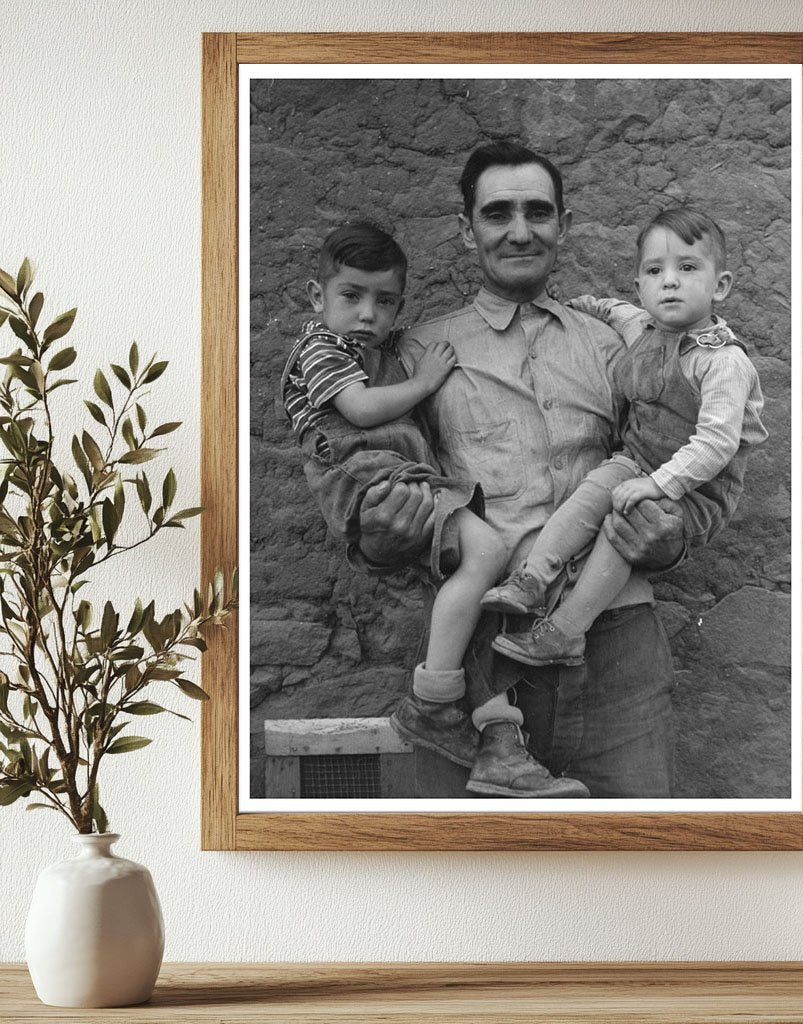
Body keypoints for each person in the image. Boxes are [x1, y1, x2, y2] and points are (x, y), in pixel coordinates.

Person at [357, 142, 690, 798]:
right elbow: (383, 490)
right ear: (467, 228)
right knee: (472, 885)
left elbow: (668, 466)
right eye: (498, 213)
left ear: (562, 225)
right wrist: (378, 532)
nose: (519, 230)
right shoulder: (420, 351)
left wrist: (670, 538)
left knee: (641, 865)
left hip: (615, 653)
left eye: (538, 212)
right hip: (481, 670)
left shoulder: (615, 345)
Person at [282, 221, 588, 798]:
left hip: (401, 472)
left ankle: (483, 724)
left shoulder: (369, 348)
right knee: (488, 551)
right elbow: (363, 409)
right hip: (369, 474)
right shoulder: (321, 349)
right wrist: (424, 382)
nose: (369, 314)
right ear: (314, 298)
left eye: (386, 301)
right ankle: (432, 698)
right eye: (352, 296)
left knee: (460, 587)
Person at [483, 206, 768, 666]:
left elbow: (717, 444)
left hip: (695, 492)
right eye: (655, 271)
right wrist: (576, 307)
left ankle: (566, 632)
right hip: (638, 461)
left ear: (721, 286)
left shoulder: (722, 363)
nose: (669, 282)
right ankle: (533, 577)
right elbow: (613, 310)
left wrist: (656, 485)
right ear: (640, 287)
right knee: (591, 490)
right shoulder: (645, 328)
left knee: (625, 526)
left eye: (687, 268)